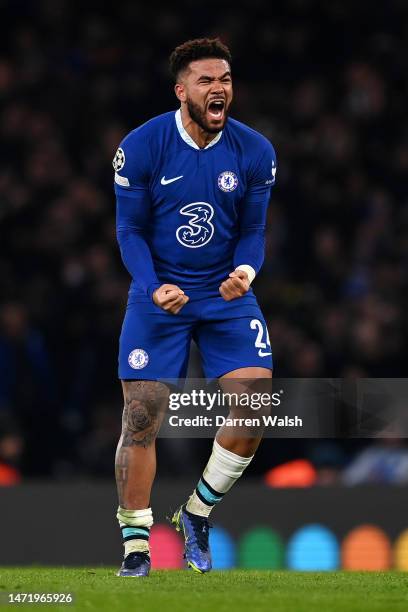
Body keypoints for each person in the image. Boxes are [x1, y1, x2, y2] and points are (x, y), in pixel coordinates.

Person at [113, 37, 276, 577]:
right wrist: (152, 284)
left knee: (254, 402)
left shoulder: (255, 151)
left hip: (225, 293)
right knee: (141, 416)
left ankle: (197, 512)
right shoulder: (140, 147)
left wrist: (245, 272)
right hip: (159, 293)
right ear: (181, 91)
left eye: (225, 79)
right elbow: (129, 228)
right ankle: (137, 542)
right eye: (206, 80)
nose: (219, 89)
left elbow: (253, 230)